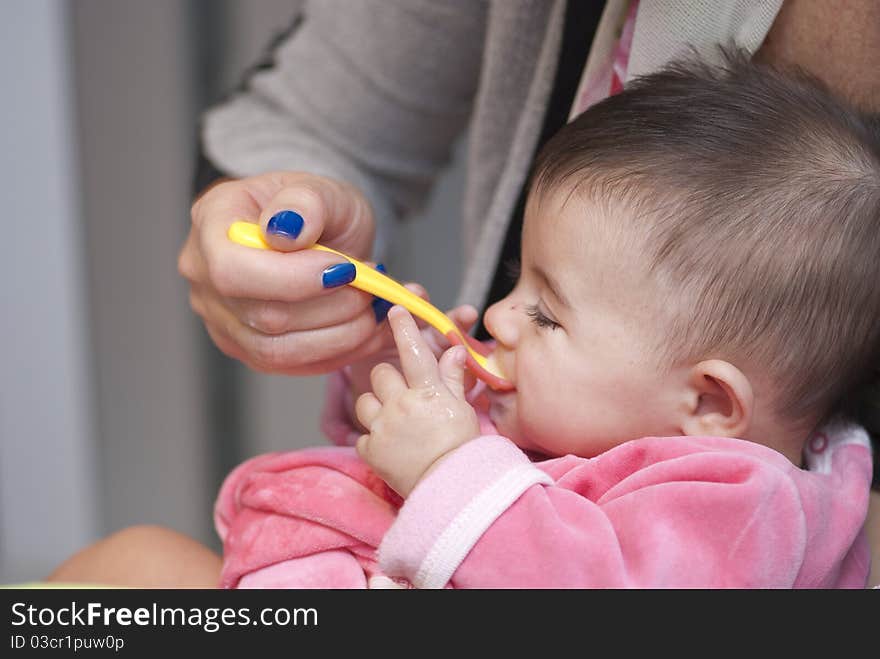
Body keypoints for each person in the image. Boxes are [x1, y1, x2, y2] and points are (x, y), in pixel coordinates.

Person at [46, 1, 880, 586]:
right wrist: (393, 375)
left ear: (708, 399)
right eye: (519, 280)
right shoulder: (585, 413)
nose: (501, 313)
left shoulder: (740, 510)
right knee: (119, 569)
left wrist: (449, 461)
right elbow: (392, 475)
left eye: (548, 312)